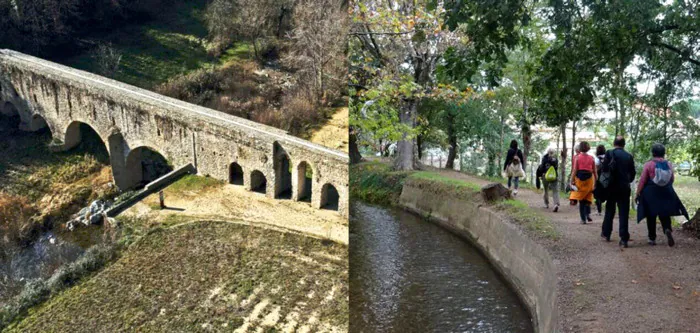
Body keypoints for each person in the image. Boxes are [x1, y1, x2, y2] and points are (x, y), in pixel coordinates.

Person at [635, 143, 689, 247]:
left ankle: (652, 238)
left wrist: (638, 193)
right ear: (663, 153)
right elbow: (672, 179)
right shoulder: (668, 164)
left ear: (653, 153)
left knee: (651, 215)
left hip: (651, 193)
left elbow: (642, 180)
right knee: (665, 213)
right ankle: (667, 229)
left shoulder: (649, 164)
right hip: (666, 191)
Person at [601, 136, 637, 247]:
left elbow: (604, 169)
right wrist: (627, 180)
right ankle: (624, 238)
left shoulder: (609, 153)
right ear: (624, 144)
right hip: (624, 188)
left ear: (614, 143)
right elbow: (633, 173)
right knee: (623, 213)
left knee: (609, 210)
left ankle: (606, 233)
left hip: (611, 187)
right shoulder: (628, 156)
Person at [569, 142, 597, 224]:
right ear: (588, 148)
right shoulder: (592, 158)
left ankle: (583, 219)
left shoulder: (577, 158)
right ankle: (588, 214)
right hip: (589, 180)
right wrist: (596, 181)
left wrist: (571, 180)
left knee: (581, 200)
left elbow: (575, 170)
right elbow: (595, 171)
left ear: (580, 148)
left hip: (580, 180)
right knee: (587, 197)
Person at [593, 144, 606, 215]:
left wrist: (594, 181)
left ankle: (599, 211)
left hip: (599, 178)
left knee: (597, 194)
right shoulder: (607, 157)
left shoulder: (597, 159)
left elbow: (596, 170)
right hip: (606, 178)